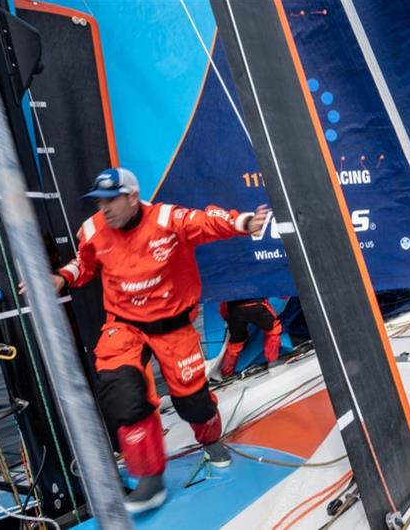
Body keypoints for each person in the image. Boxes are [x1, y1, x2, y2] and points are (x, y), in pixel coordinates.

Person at [49, 167, 269, 513]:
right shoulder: (92, 230)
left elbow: (207, 222)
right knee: (122, 392)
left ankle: (210, 441)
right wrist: (63, 278)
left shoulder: (167, 219)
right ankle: (149, 480)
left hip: (173, 326)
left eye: (111, 201)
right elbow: (84, 264)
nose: (104, 209)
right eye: (99, 202)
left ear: (133, 198)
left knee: (192, 402)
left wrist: (243, 223)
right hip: (124, 326)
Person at [218, 298, 282, 378]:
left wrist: (229, 320)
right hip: (256, 304)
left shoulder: (225, 286)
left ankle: (226, 373)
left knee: (236, 342)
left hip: (234, 311)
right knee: (274, 327)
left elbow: (223, 308)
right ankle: (273, 361)